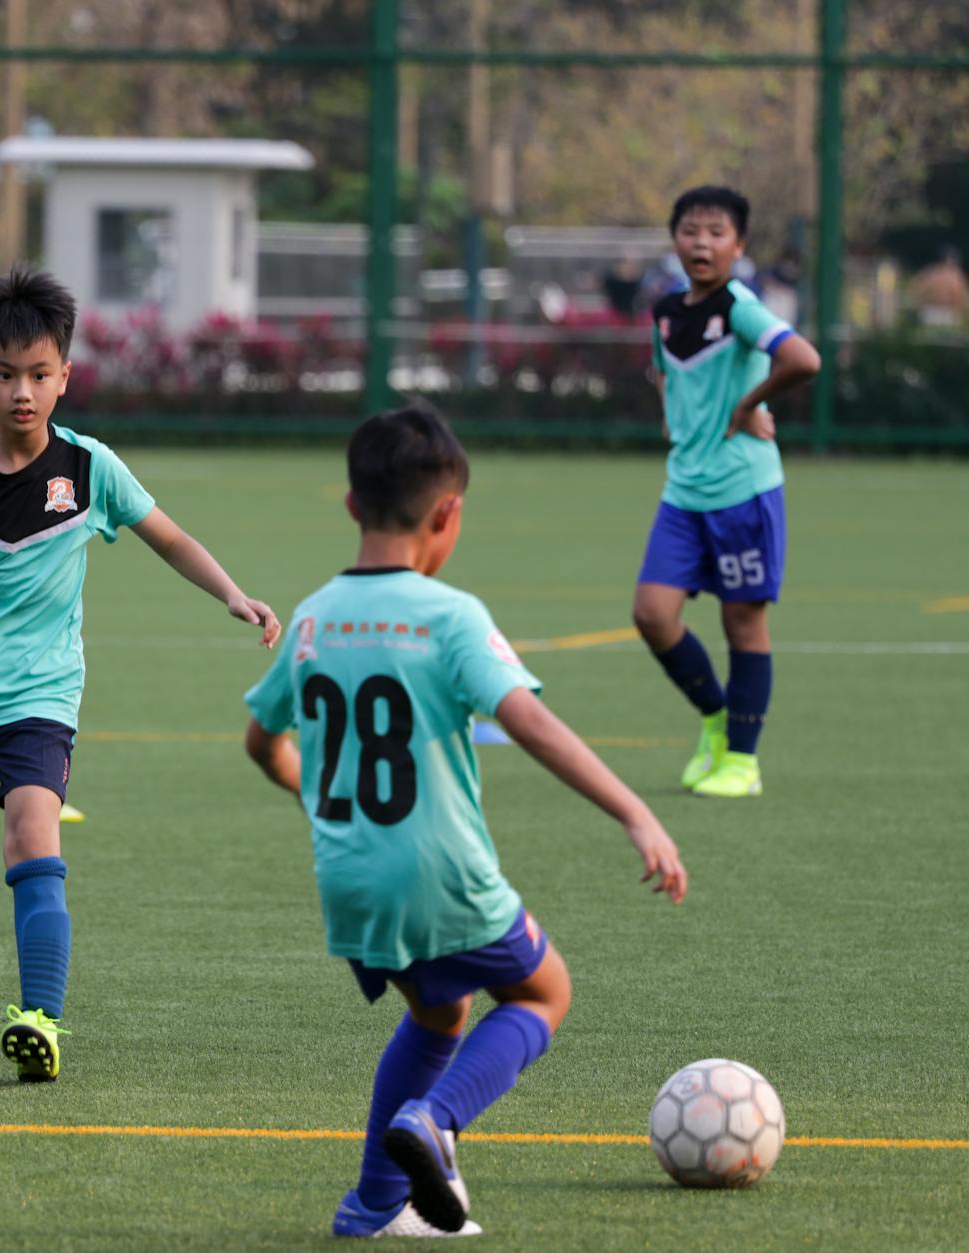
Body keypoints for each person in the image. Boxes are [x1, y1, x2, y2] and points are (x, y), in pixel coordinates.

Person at [0, 266, 282, 1081]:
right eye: (4, 375)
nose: (22, 392)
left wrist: (233, 591)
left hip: (41, 692)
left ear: (65, 375)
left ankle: (40, 1018)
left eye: (38, 374)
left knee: (32, 826)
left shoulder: (92, 467)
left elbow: (167, 536)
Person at [240, 404, 688, 1238]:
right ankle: (438, 1121)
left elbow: (263, 742)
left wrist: (323, 801)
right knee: (544, 991)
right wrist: (635, 811)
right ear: (447, 515)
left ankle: (373, 1206)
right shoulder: (450, 615)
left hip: (349, 878)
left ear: (350, 504)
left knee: (440, 1012)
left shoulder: (311, 616)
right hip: (439, 869)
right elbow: (530, 722)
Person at [635, 186, 821, 799]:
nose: (701, 243)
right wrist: (675, 416)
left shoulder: (741, 306)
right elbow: (665, 375)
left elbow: (803, 358)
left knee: (742, 622)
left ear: (739, 247)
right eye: (690, 231)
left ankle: (742, 760)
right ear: (675, 240)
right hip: (683, 492)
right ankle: (716, 719)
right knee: (652, 615)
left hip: (744, 490)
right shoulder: (665, 311)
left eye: (717, 233)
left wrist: (749, 404)